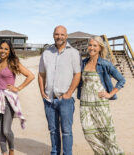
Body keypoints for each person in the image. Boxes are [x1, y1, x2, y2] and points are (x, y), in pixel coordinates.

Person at [0, 40, 34, 155]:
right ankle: (4, 153)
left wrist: (18, 88)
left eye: (6, 49)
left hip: (8, 99)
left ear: (10, 51)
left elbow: (31, 76)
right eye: (1, 48)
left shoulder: (13, 63)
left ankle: (11, 149)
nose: (3, 51)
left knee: (6, 130)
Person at [77, 36, 125, 155]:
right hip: (85, 105)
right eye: (90, 45)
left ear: (100, 48)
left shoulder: (104, 64)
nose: (92, 48)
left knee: (107, 135)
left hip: (100, 105)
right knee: (89, 134)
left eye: (95, 45)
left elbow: (121, 80)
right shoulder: (83, 63)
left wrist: (110, 94)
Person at [38, 25, 81, 155]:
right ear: (53, 35)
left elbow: (77, 74)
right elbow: (41, 74)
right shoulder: (46, 53)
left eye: (62, 34)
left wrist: (69, 93)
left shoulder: (74, 53)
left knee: (67, 131)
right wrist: (42, 91)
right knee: (53, 130)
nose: (59, 37)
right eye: (57, 34)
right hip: (49, 99)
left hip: (66, 100)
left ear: (66, 36)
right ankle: (55, 152)